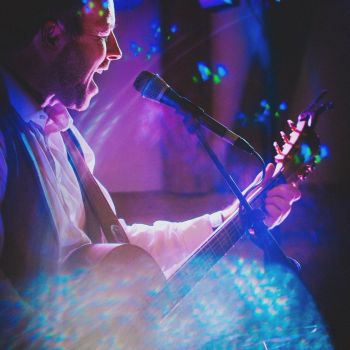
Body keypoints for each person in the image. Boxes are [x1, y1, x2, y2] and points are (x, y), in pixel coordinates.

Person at [0, 0, 301, 347]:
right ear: (53, 36)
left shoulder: (67, 138)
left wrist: (231, 218)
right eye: (103, 34)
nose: (115, 52)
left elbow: (119, 248)